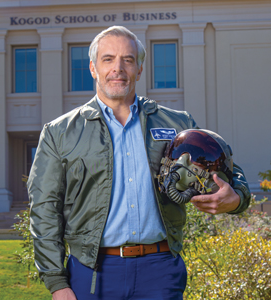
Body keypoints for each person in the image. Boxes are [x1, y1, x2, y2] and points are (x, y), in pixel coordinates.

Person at [28, 25, 251, 300]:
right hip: (92, 271)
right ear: (93, 68)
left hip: (159, 270)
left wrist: (236, 198)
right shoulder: (59, 132)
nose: (118, 68)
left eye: (128, 60)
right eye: (108, 59)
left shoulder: (177, 123)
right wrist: (57, 283)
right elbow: (44, 209)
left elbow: (230, 169)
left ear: (140, 69)